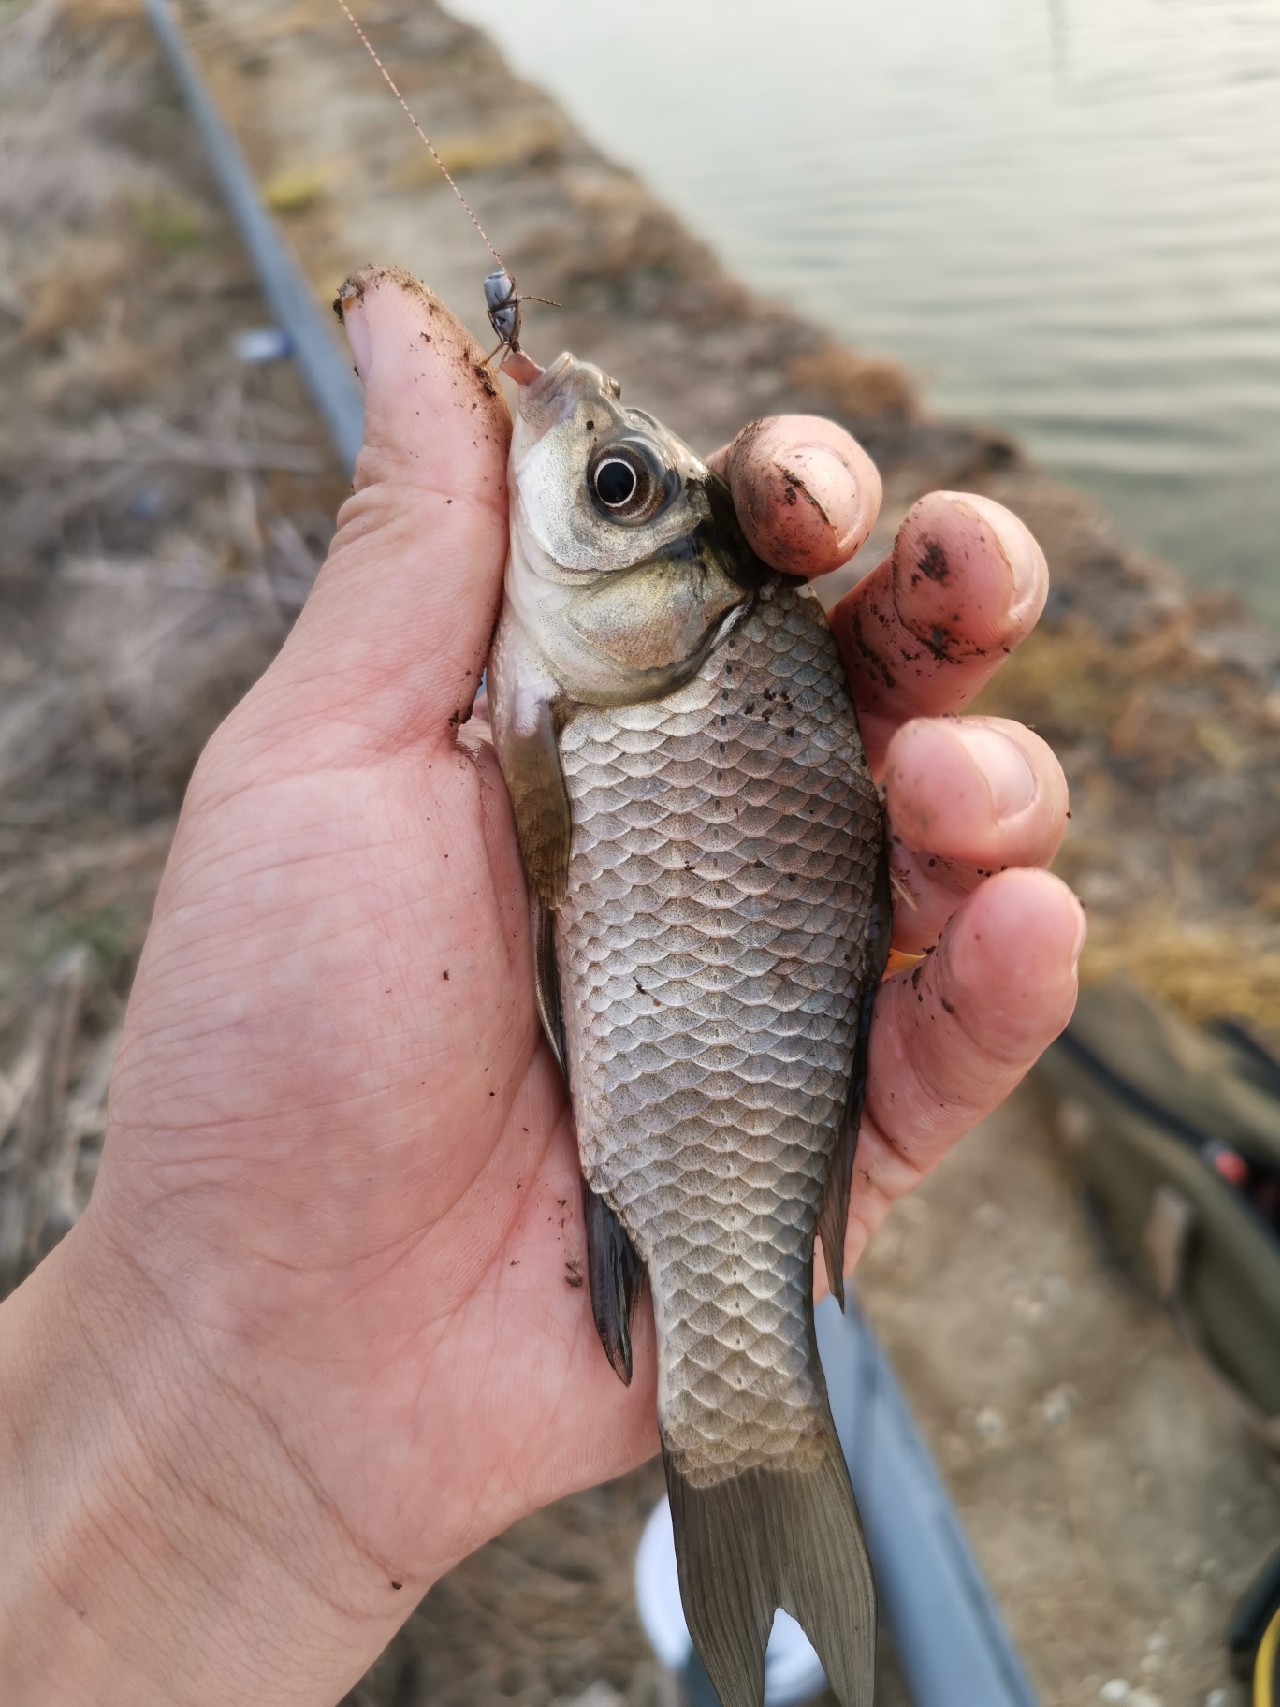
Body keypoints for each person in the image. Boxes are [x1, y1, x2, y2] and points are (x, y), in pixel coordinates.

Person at [0, 267, 1082, 1705]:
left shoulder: (582, 678)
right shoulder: (565, 673)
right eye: (622, 488)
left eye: (614, 487)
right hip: (644, 1114)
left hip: (696, 1118)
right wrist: (207, 1378)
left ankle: (764, 1483)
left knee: (955, 809)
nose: (586, 467)